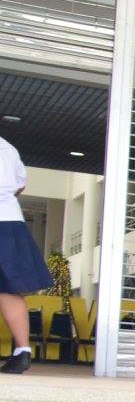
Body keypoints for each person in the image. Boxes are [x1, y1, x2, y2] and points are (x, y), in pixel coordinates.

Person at [0, 134, 52, 374]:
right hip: (11, 221)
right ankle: (22, 352)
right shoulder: (7, 147)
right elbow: (20, 184)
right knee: (8, 289)